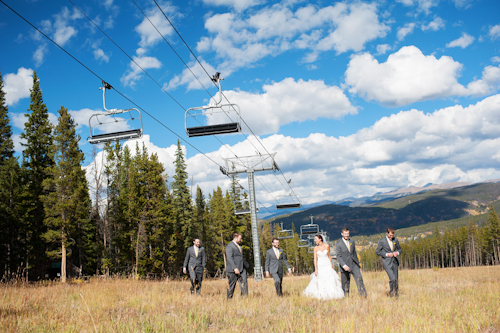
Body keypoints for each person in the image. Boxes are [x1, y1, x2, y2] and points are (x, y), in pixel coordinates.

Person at [303, 234, 344, 300]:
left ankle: (332, 293)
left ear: (320, 239)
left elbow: (329, 256)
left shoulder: (327, 246)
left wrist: (332, 266)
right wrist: (316, 269)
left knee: (330, 278)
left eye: (316, 239)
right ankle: (322, 294)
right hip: (320, 265)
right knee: (321, 279)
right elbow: (315, 259)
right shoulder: (315, 248)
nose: (315, 240)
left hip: (327, 264)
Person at [335, 228, 367, 297]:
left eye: (348, 234)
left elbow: (354, 253)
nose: (347, 235)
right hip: (345, 266)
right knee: (345, 283)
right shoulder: (338, 244)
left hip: (354, 265)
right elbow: (338, 256)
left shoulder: (352, 241)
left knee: (359, 279)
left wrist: (358, 264)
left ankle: (363, 296)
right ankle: (346, 297)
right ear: (342, 234)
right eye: (345, 234)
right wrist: (344, 265)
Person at [375, 228, 402, 297]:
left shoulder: (395, 240)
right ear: (387, 233)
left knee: (396, 279)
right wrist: (387, 254)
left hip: (395, 262)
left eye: (392, 235)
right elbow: (377, 252)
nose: (391, 237)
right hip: (387, 263)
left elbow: (400, 249)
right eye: (390, 235)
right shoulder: (382, 241)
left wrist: (397, 253)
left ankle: (396, 294)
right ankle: (392, 293)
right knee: (392, 278)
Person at [226, 232, 248, 299]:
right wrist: (234, 268)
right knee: (231, 286)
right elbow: (229, 258)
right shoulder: (230, 246)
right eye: (240, 238)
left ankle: (244, 298)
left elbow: (240, 258)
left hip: (242, 269)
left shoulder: (239, 246)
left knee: (244, 283)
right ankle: (229, 299)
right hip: (232, 270)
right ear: (235, 238)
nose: (241, 240)